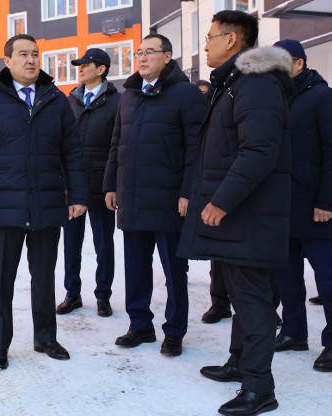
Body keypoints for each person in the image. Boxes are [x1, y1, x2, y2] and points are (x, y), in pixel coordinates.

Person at [178, 10, 292, 416]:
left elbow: (259, 150)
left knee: (253, 301)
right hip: (239, 215)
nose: (205, 45)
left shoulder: (255, 83)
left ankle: (259, 388)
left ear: (231, 40)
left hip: (247, 214)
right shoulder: (234, 83)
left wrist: (222, 200)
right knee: (240, 296)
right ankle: (239, 362)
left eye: (210, 37)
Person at [0, 34, 88, 371]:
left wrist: (78, 195)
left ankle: (45, 338)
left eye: (35, 54)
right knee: (1, 280)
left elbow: (72, 152)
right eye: (23, 54)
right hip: (3, 206)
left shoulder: (56, 101)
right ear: (7, 61)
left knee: (44, 277)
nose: (31, 60)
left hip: (47, 203)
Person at [103, 34, 206, 357]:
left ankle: (174, 331)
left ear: (168, 56)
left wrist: (188, 192)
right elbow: (116, 144)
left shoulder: (186, 94)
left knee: (174, 271)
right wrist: (111, 184)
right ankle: (140, 325)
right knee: (135, 268)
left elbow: (197, 150)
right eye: (139, 53)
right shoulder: (128, 96)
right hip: (132, 196)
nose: (142, 58)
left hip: (169, 199)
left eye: (150, 52)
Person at [272, 39, 332, 372]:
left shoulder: (325, 98)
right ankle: (294, 332)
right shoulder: (277, 98)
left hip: (316, 207)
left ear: (299, 64)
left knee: (329, 279)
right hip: (282, 206)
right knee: (287, 276)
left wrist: (326, 201)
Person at [56, 48, 120, 318]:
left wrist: (113, 185)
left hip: (102, 185)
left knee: (104, 244)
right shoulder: (70, 100)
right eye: (79, 65)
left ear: (101, 69)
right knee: (71, 244)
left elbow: (119, 146)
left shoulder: (118, 102)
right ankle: (72, 294)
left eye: (86, 65)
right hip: (73, 186)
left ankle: (103, 296)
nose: (80, 69)